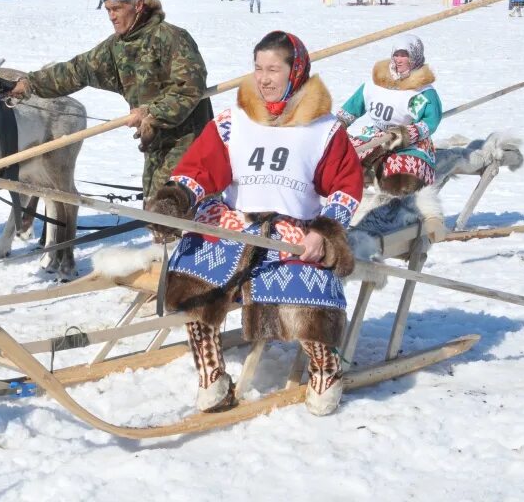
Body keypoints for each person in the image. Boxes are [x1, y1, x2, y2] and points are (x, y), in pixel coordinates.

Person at [145, 30, 363, 415]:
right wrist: (172, 202)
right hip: (234, 223)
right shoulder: (233, 123)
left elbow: (346, 188)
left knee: (303, 295)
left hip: (292, 230)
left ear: (296, 72)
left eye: (273, 69)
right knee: (195, 276)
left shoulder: (324, 129)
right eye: (258, 68)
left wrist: (325, 232)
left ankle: (326, 367)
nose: (263, 79)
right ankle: (211, 374)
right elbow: (197, 171)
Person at [7, 0, 211, 198]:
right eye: (108, 10)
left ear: (138, 5)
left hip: (189, 140)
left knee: (173, 209)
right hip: (154, 143)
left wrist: (151, 113)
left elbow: (189, 87)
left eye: (117, 9)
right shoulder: (117, 47)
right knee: (156, 209)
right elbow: (77, 70)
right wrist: (30, 84)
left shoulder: (171, 38)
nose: (112, 16)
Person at [337, 34, 441, 195]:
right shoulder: (376, 84)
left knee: (400, 180)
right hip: (376, 136)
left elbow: (430, 122)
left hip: (408, 144)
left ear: (415, 57)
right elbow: (350, 109)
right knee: (341, 162)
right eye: (396, 54)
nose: (398, 60)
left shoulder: (420, 92)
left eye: (404, 55)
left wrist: (406, 134)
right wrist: (339, 124)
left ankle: (399, 211)